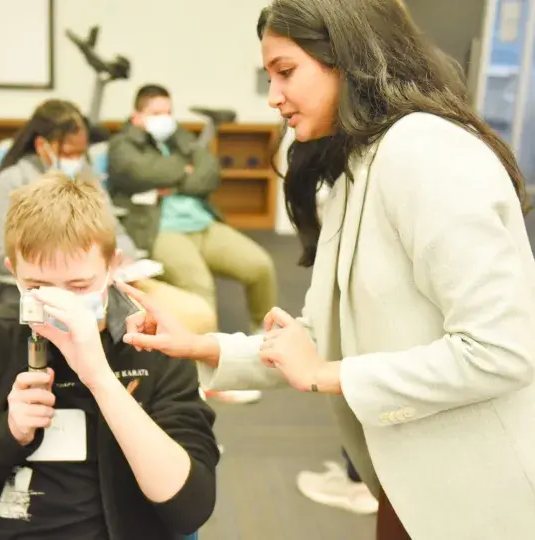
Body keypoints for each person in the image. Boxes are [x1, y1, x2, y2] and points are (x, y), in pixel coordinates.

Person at [115, 1, 535, 539]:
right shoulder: (357, 166)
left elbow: (500, 352)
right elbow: (317, 337)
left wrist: (326, 376)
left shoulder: (427, 153)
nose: (272, 97)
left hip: (477, 490)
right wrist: (204, 346)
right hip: (411, 476)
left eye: (285, 72)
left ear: (348, 58)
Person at [0, 172, 219, 540]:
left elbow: (190, 507)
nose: (59, 303)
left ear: (113, 266)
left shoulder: (155, 346)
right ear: (13, 272)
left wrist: (101, 380)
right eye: (38, 287)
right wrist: (6, 433)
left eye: (78, 286)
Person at [0, 98, 218, 337]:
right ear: (43, 145)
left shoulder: (86, 175)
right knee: (166, 324)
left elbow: (114, 229)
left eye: (80, 153)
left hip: (105, 281)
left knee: (200, 315)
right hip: (59, 288)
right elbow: (3, 254)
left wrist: (126, 261)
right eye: (68, 153)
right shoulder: (11, 182)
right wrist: (79, 274)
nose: (75, 160)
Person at [106, 84, 278, 335]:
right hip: (162, 229)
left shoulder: (179, 138)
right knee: (201, 287)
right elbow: (140, 172)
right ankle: (206, 357)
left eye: (168, 112)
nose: (165, 119)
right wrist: (184, 169)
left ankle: (264, 337)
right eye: (156, 113)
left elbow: (209, 173)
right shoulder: (122, 144)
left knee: (260, 266)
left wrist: (171, 183)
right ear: (137, 116)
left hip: (203, 224)